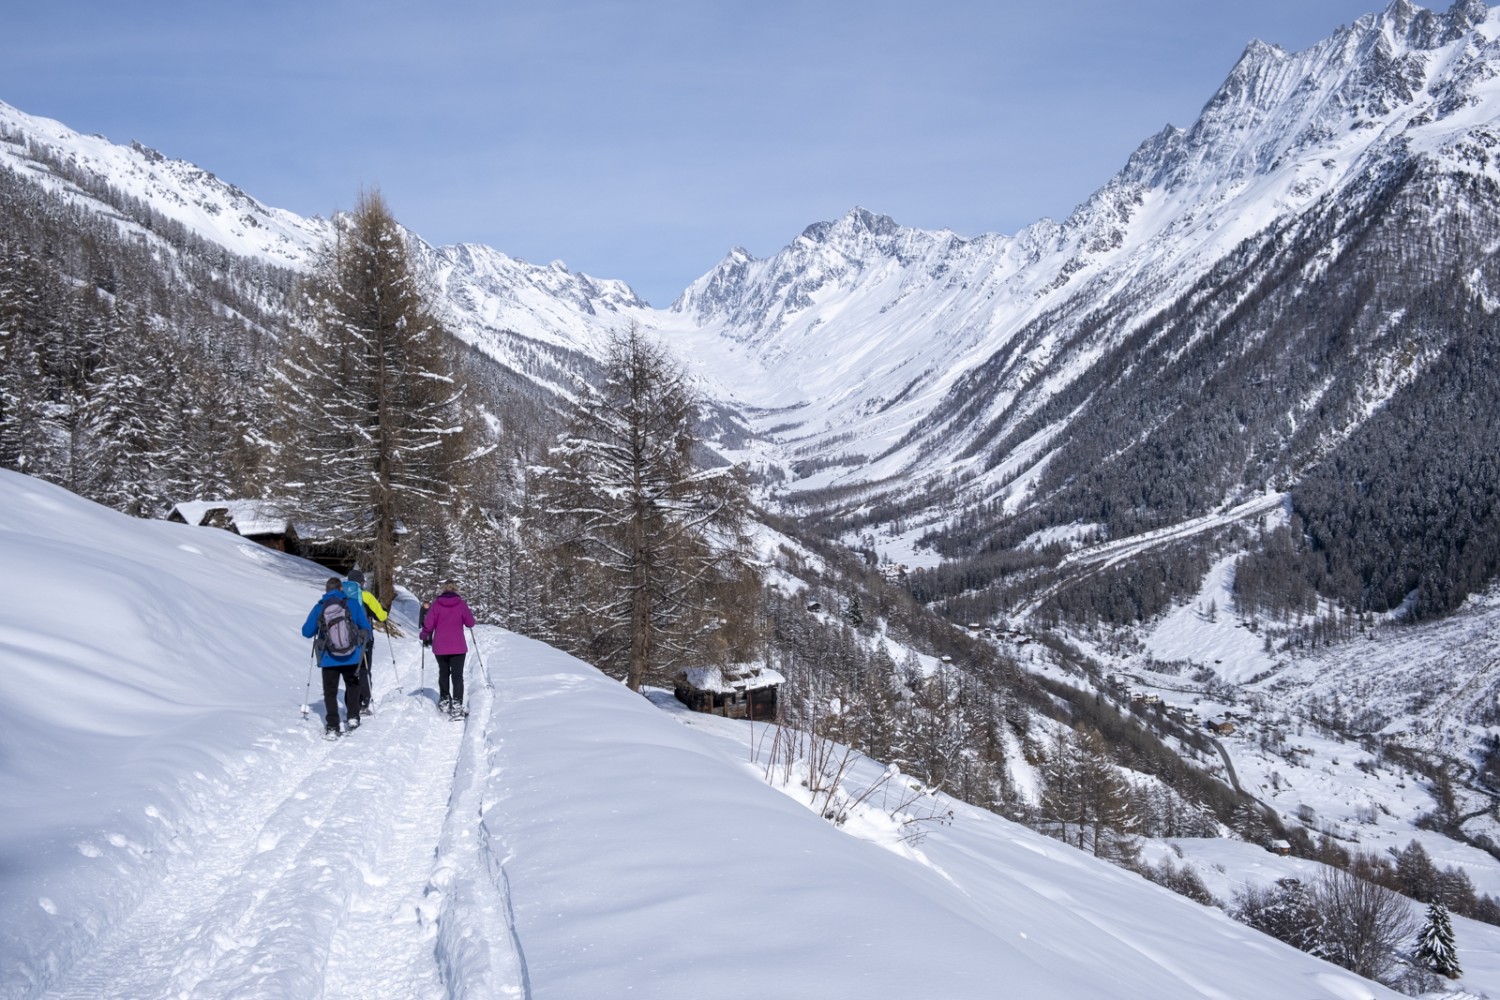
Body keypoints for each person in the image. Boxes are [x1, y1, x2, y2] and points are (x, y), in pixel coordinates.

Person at [302, 576, 372, 737]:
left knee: (330, 692)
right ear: (341, 589)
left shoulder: (320, 607)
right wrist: (361, 640)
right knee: (353, 685)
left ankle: (333, 726)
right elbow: (366, 628)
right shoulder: (353, 604)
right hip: (351, 655)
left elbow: (306, 632)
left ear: (326, 591)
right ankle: (353, 717)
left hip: (328, 657)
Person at [419, 581, 475, 717]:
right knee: (457, 675)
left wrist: (424, 635)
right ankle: (457, 704)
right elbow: (470, 623)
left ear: (442, 590)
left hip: (440, 645)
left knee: (443, 672)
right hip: (458, 646)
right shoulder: (461, 604)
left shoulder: (436, 605)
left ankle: (444, 700)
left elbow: (429, 624)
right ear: (456, 590)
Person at [346, 567, 388, 713]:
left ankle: (351, 704)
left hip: (342, 640)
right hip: (364, 639)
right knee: (363, 669)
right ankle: (364, 702)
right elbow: (382, 616)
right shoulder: (366, 596)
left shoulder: (339, 596)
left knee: (349, 670)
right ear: (360, 583)